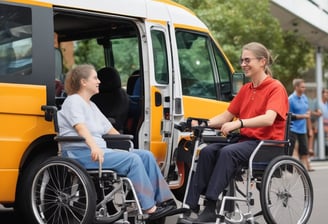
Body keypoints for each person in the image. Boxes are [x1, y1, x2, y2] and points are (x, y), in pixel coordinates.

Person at [182, 42, 289, 223]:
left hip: (266, 144)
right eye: (242, 60)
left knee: (227, 152)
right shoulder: (246, 89)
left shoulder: (275, 87)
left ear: (262, 62)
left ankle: (210, 207)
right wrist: (201, 124)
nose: (243, 64)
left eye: (247, 60)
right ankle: (191, 205)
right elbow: (226, 116)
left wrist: (239, 123)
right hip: (245, 141)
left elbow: (269, 119)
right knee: (207, 151)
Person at [57, 64, 175, 220]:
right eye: (95, 78)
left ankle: (164, 201)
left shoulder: (91, 105)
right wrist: (94, 147)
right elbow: (80, 128)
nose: (99, 81)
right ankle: (149, 208)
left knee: (145, 155)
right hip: (81, 153)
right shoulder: (73, 101)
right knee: (133, 160)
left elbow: (109, 129)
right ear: (83, 82)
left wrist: (125, 142)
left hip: (100, 151)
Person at [289, 79, 313, 171]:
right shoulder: (290, 99)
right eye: (302, 87)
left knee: (304, 150)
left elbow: (308, 114)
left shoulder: (304, 98)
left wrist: (310, 129)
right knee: (292, 150)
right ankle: (291, 168)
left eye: (304, 86)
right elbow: (289, 116)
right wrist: (303, 116)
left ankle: (304, 169)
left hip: (302, 129)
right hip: (292, 128)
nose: (304, 88)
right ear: (296, 87)